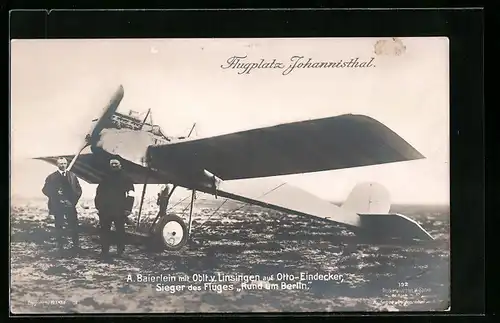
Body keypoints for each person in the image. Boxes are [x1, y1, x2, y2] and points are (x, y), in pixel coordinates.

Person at [94, 158, 135, 258]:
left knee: (120, 231)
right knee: (104, 231)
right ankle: (104, 252)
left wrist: (128, 209)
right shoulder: (105, 177)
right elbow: (99, 192)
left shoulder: (126, 177)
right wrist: (98, 206)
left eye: (116, 164)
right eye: (112, 164)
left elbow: (131, 194)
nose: (114, 166)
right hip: (105, 210)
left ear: (120, 165)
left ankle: (121, 251)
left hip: (119, 210)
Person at [42, 157, 82, 254]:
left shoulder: (72, 176)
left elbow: (78, 190)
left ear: (67, 164)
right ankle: (61, 247)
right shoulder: (51, 177)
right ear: (57, 164)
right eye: (61, 164)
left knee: (73, 225)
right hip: (58, 206)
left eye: (64, 163)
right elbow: (45, 190)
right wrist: (55, 194)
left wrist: (72, 202)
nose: (63, 165)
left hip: (70, 205)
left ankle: (75, 246)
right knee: (59, 226)